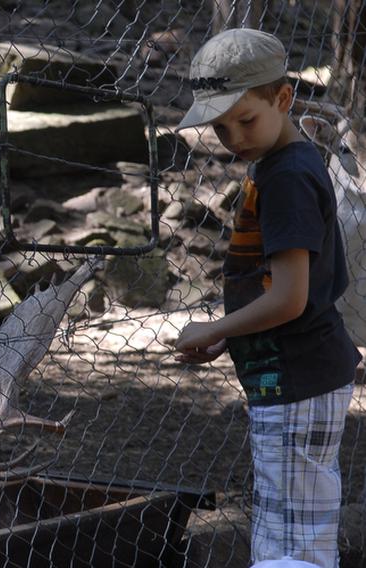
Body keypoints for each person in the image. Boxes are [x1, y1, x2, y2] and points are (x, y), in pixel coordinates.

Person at [173, 28, 360, 567]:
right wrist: (226, 335)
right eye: (219, 126)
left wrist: (215, 329)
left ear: (283, 99)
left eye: (245, 119)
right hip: (297, 374)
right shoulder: (281, 165)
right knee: (296, 530)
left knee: (290, 544)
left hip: (296, 377)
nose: (233, 136)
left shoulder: (287, 179)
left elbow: (289, 299)